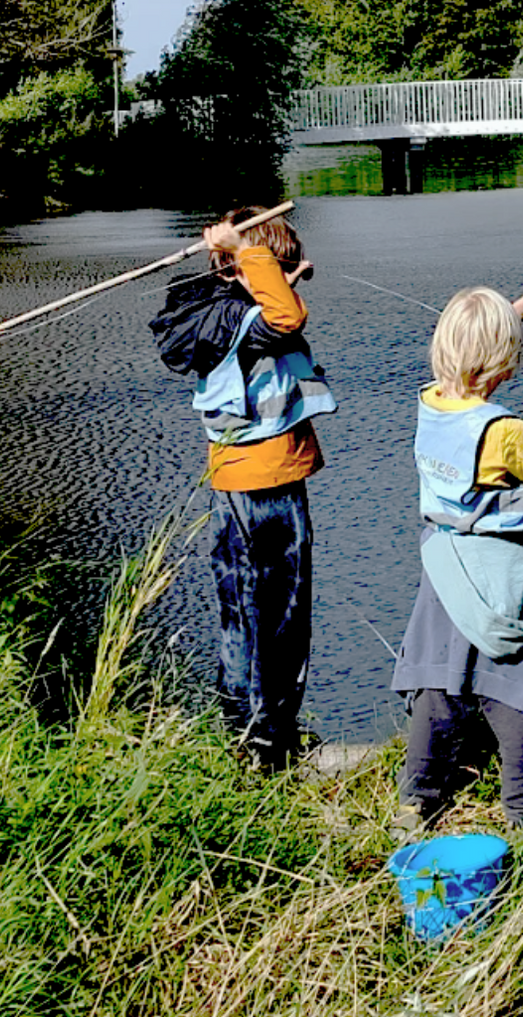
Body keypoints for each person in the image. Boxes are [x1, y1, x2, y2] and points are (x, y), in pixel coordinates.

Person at [391, 283, 523, 830]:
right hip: (498, 577)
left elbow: (470, 347)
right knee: (520, 687)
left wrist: (515, 310)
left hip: (442, 567)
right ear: (504, 360)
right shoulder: (509, 431)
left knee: (439, 683)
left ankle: (416, 801)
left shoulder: (430, 402)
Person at [150, 205, 334, 770]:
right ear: (247, 265)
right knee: (280, 615)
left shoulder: (215, 313)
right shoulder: (249, 322)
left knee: (241, 610)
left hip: (231, 480)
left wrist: (265, 268)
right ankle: (271, 743)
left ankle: (242, 732)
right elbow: (284, 318)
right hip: (269, 482)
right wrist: (251, 252)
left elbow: (268, 302)